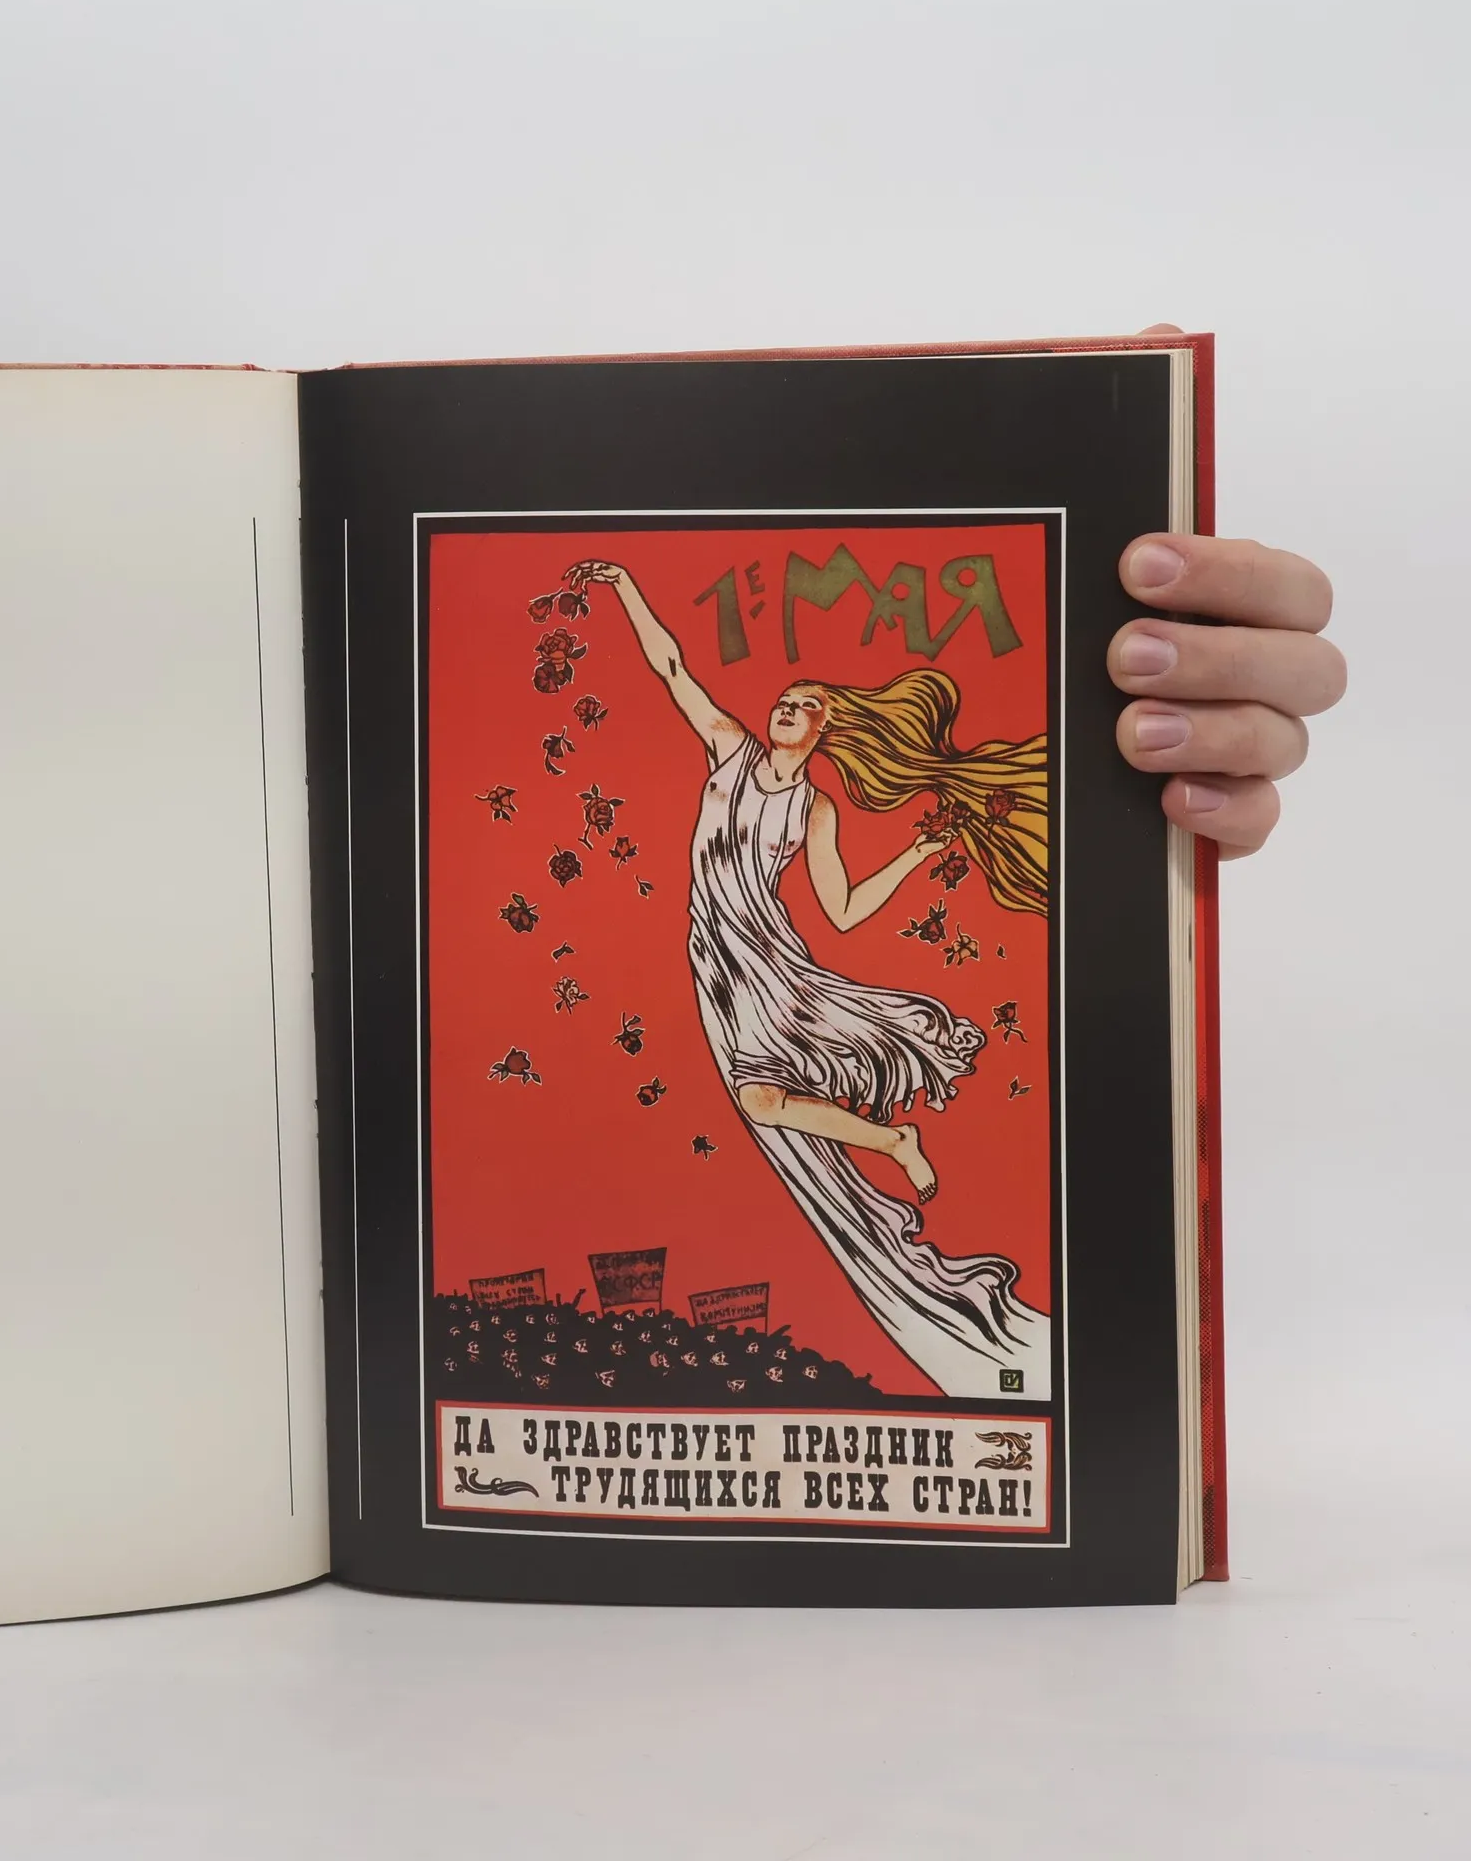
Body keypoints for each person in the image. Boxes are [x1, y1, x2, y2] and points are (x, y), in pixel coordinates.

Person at [568, 520, 1343, 1400]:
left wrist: (912, 853)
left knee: (760, 1100)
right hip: (715, 962)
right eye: (783, 699)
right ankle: (892, 1140)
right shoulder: (727, 751)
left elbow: (844, 910)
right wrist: (626, 586)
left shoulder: (816, 810)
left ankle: (896, 1140)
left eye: (806, 704)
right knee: (768, 1106)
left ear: (825, 728)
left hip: (773, 968)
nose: (786, 708)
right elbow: (672, 667)